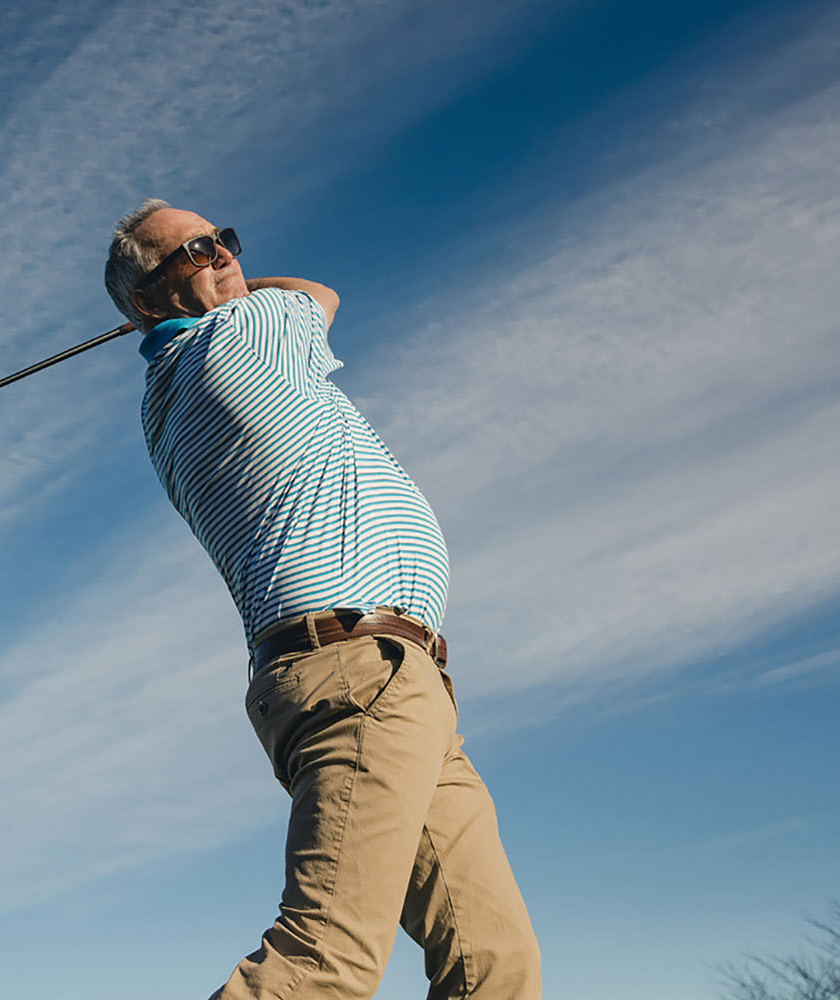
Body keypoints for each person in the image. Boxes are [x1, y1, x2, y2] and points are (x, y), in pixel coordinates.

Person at [103, 200, 541, 999]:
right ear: (148, 300)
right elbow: (320, 291)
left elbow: (280, 296)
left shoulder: (173, 385)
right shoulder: (240, 338)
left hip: (394, 682)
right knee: (325, 961)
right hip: (355, 670)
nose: (224, 256)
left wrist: (205, 282)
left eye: (225, 241)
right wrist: (239, 288)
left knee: (495, 965)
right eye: (194, 252)